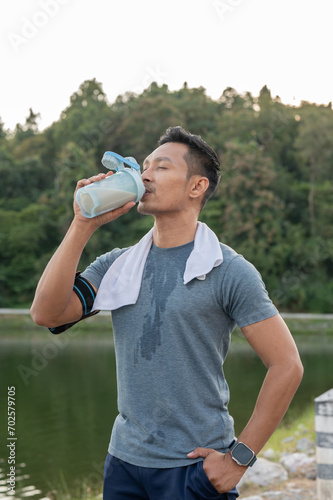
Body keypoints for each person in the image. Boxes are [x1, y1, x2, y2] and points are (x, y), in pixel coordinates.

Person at [31, 126, 303, 500]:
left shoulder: (227, 270)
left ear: (197, 187)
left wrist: (239, 459)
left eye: (161, 167)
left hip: (193, 469)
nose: (144, 176)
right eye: (143, 166)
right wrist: (83, 224)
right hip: (123, 464)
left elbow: (287, 364)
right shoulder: (119, 264)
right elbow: (47, 313)